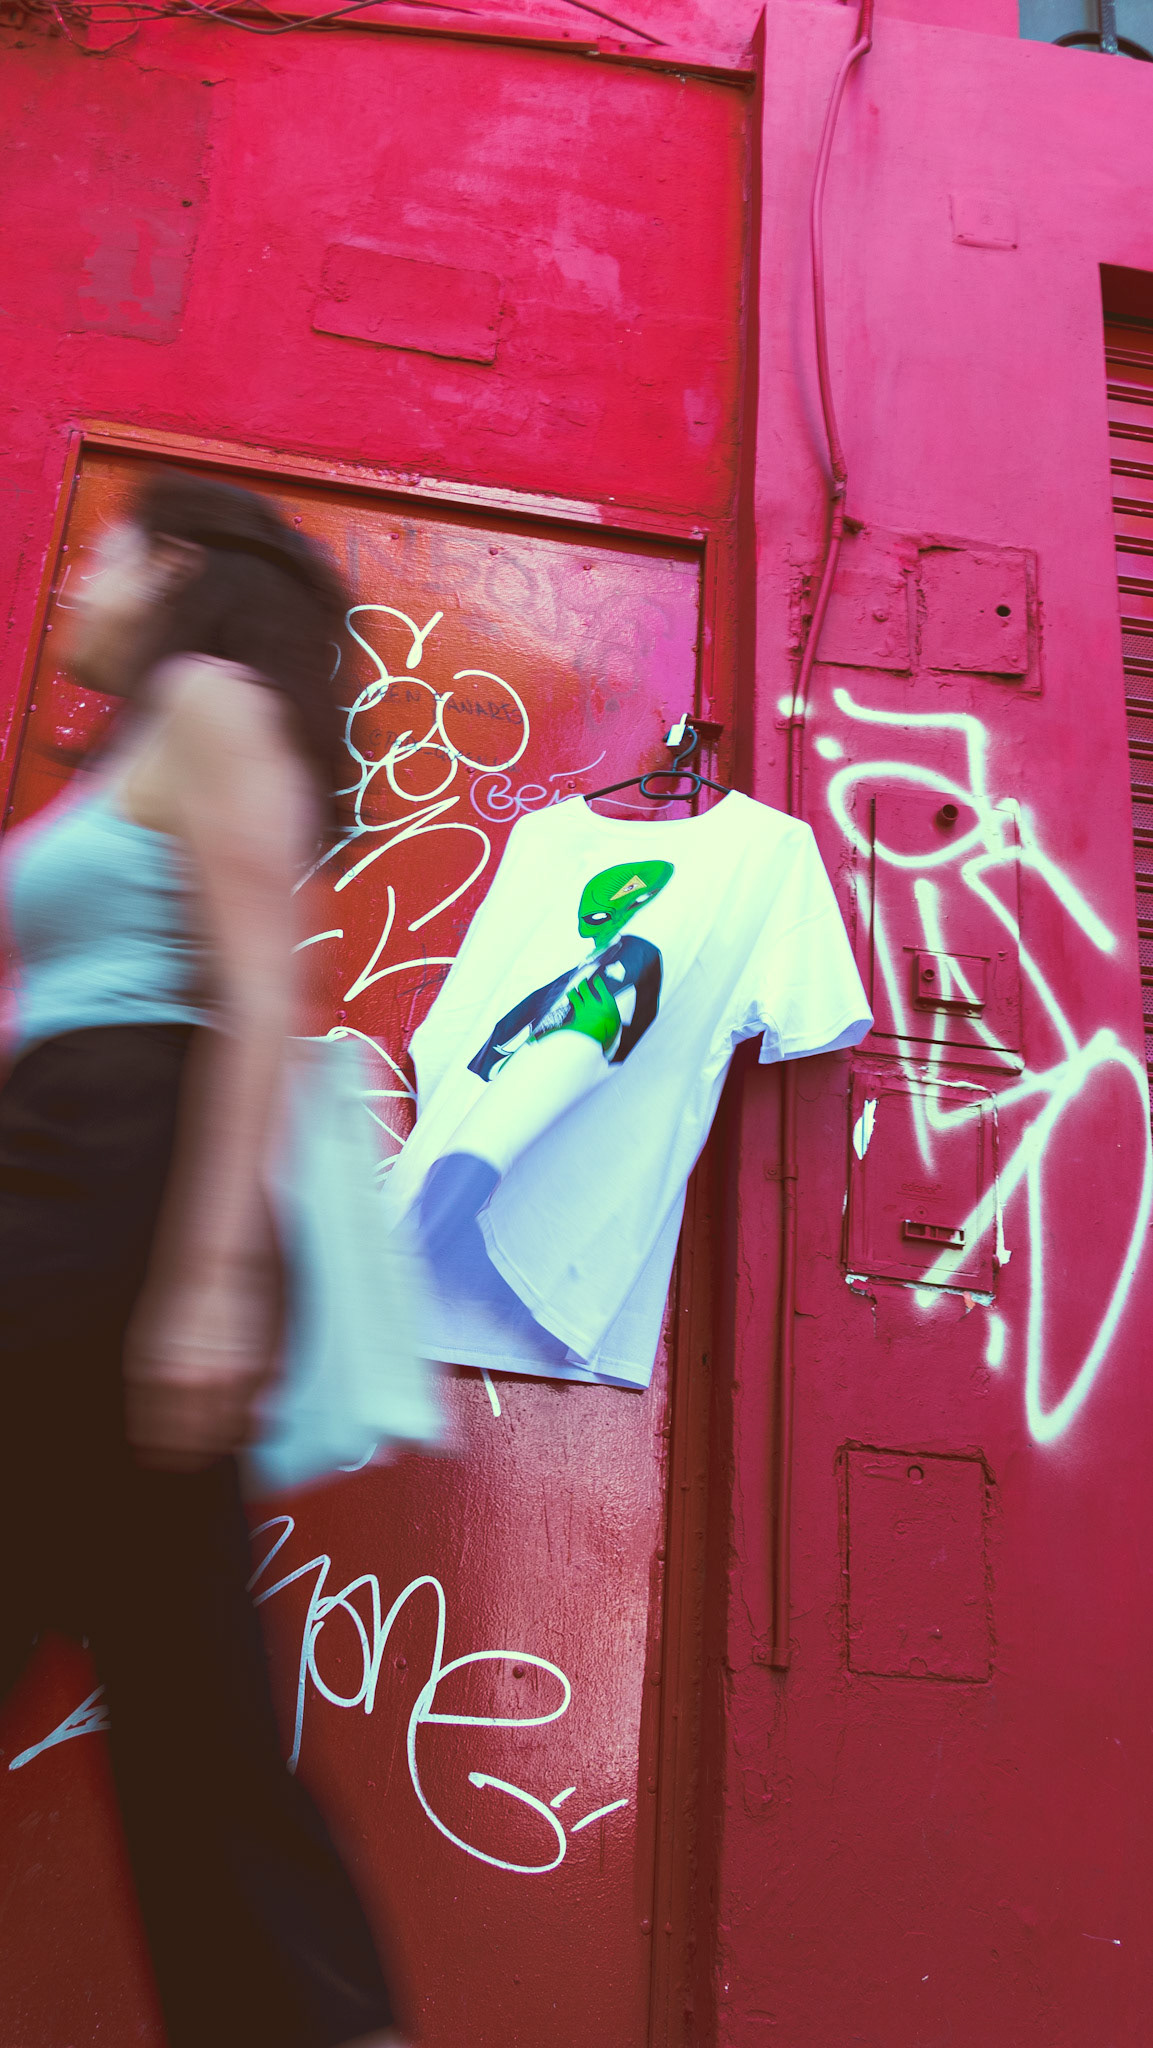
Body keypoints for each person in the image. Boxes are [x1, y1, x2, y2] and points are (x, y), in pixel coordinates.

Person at [0, 472, 411, 2048]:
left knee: (190, 1689)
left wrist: (208, 1281)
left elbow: (252, 1001)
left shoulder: (211, 706)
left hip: (109, 1193)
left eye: (101, 557)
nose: (78, 584)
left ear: (172, 565)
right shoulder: (144, 740)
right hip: (69, 1174)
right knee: (187, 1686)